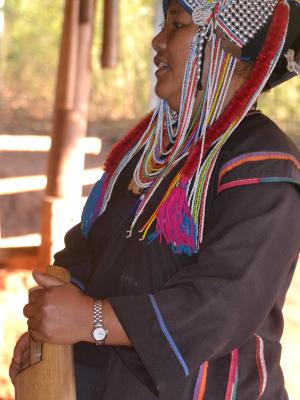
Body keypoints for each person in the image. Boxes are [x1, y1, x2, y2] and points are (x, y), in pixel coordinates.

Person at [9, 0, 300, 399]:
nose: (157, 40)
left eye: (177, 26)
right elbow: (88, 250)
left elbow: (223, 304)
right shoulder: (155, 152)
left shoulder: (262, 160)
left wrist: (90, 319)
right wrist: (51, 329)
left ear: (225, 46)